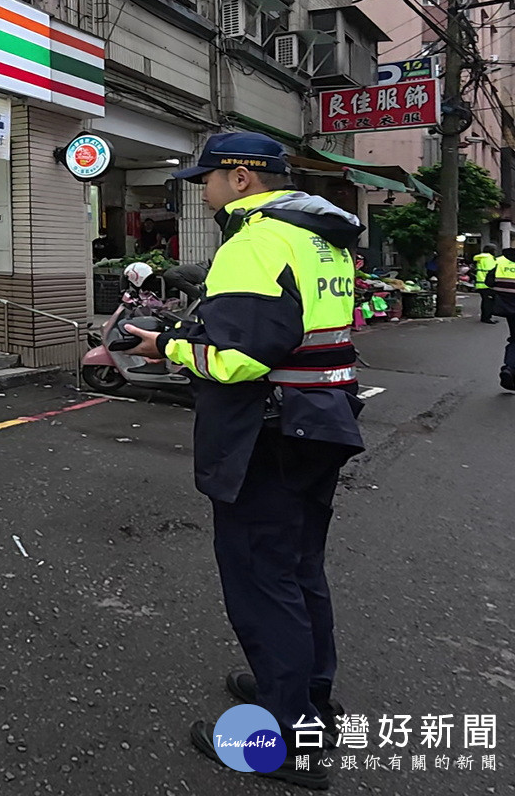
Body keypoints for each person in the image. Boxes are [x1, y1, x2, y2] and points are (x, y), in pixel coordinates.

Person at [125, 132, 366, 790]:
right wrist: (183, 336)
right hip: (320, 421)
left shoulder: (254, 242)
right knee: (299, 569)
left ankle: (288, 738)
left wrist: (168, 350)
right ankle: (312, 698)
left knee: (263, 580)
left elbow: (237, 360)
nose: (201, 192)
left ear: (240, 178)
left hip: (267, 434)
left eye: (206, 179)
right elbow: (290, 331)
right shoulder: (320, 234)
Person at [485, 247, 515, 390]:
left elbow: (489, 282)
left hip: (506, 307)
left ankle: (508, 368)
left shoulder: (499, 261)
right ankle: (509, 369)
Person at [474, 244, 499, 324]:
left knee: (486, 301)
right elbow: (491, 272)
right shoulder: (488, 259)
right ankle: (487, 318)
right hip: (487, 284)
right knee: (488, 302)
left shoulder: (482, 258)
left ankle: (485, 317)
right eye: (494, 250)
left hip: (481, 283)